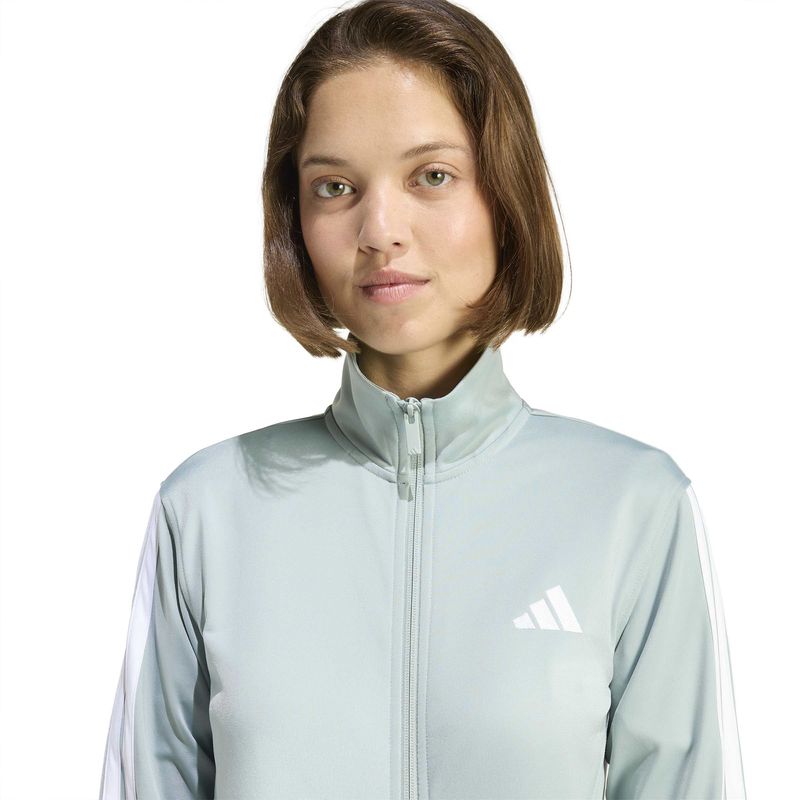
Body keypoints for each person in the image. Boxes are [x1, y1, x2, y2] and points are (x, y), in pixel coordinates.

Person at [98, 1, 747, 798]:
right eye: (334, 187)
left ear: (504, 195)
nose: (380, 229)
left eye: (431, 176)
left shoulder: (631, 507)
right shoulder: (205, 509)